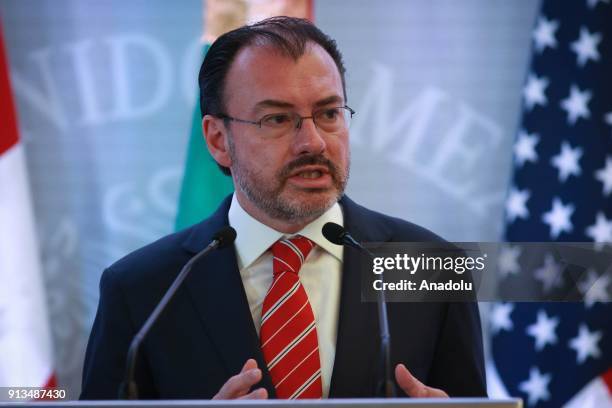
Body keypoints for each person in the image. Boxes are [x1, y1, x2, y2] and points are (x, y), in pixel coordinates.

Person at [81, 16, 486, 400]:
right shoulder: (142, 291)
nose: (313, 142)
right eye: (277, 118)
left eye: (329, 114)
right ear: (218, 139)